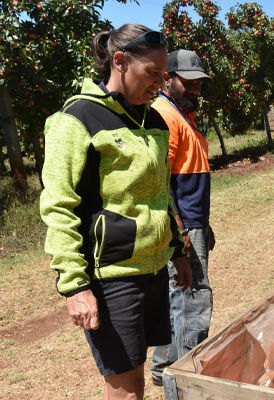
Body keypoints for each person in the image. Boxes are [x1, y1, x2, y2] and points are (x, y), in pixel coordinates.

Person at [39, 24, 192, 399]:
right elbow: (58, 205)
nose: (160, 83)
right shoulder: (78, 119)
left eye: (164, 75)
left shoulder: (153, 121)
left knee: (139, 376)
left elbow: (159, 194)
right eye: (151, 74)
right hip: (113, 277)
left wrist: (177, 252)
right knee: (127, 390)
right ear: (120, 62)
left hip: (153, 270)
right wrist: (75, 286)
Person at [150, 49, 214, 386]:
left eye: (198, 84)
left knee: (175, 299)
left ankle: (163, 370)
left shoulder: (180, 114)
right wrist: (182, 231)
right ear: (167, 79)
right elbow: (161, 182)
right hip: (183, 226)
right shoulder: (165, 115)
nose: (195, 90)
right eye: (187, 83)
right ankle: (185, 378)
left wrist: (203, 224)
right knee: (193, 299)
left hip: (191, 222)